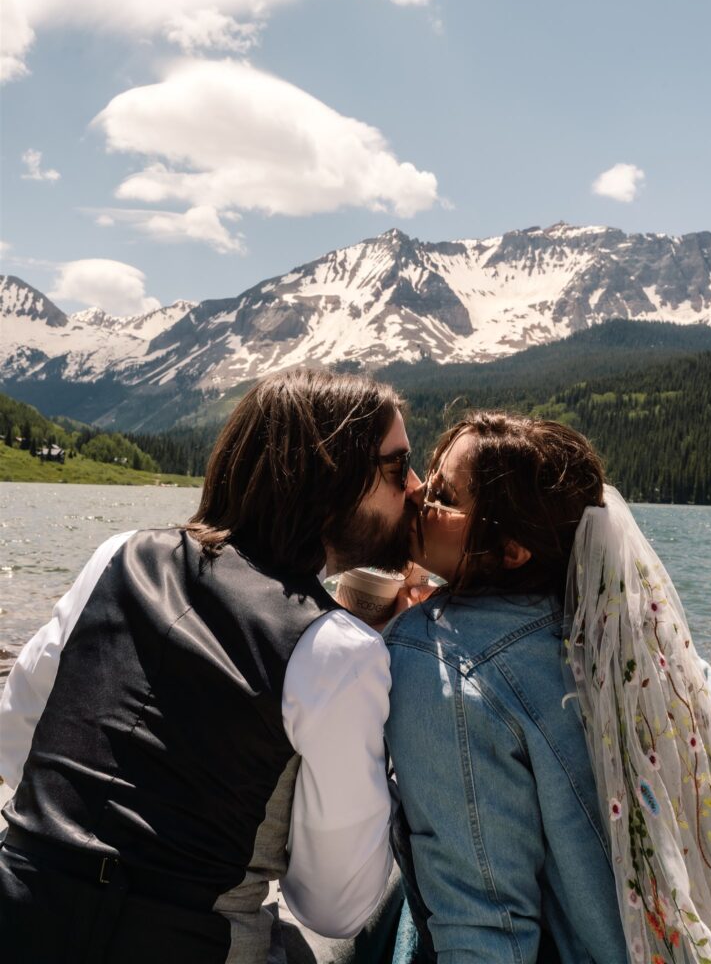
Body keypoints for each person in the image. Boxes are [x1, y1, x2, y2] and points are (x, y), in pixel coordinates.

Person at [0, 368, 422, 964]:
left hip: (19, 917)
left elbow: (15, 739)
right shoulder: (338, 651)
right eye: (399, 466)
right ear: (333, 479)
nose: (417, 486)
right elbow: (334, 906)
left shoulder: (120, 554)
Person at [385, 411, 711, 964]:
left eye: (443, 495)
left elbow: (485, 926)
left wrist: (418, 631)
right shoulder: (618, 621)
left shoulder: (436, 659)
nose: (416, 494)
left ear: (512, 549)